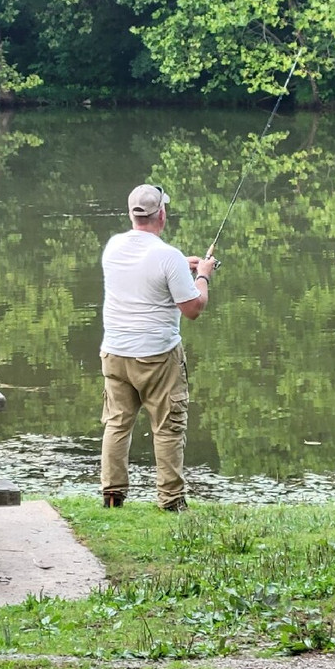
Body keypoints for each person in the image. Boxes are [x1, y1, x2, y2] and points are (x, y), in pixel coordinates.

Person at [99, 183, 217, 512]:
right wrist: (203, 275)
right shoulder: (168, 257)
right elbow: (193, 308)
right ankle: (171, 500)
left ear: (131, 214)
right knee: (168, 426)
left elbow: (148, 270)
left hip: (114, 352)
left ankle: (112, 495)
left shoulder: (113, 246)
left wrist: (182, 265)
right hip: (157, 357)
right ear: (162, 215)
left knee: (117, 423)